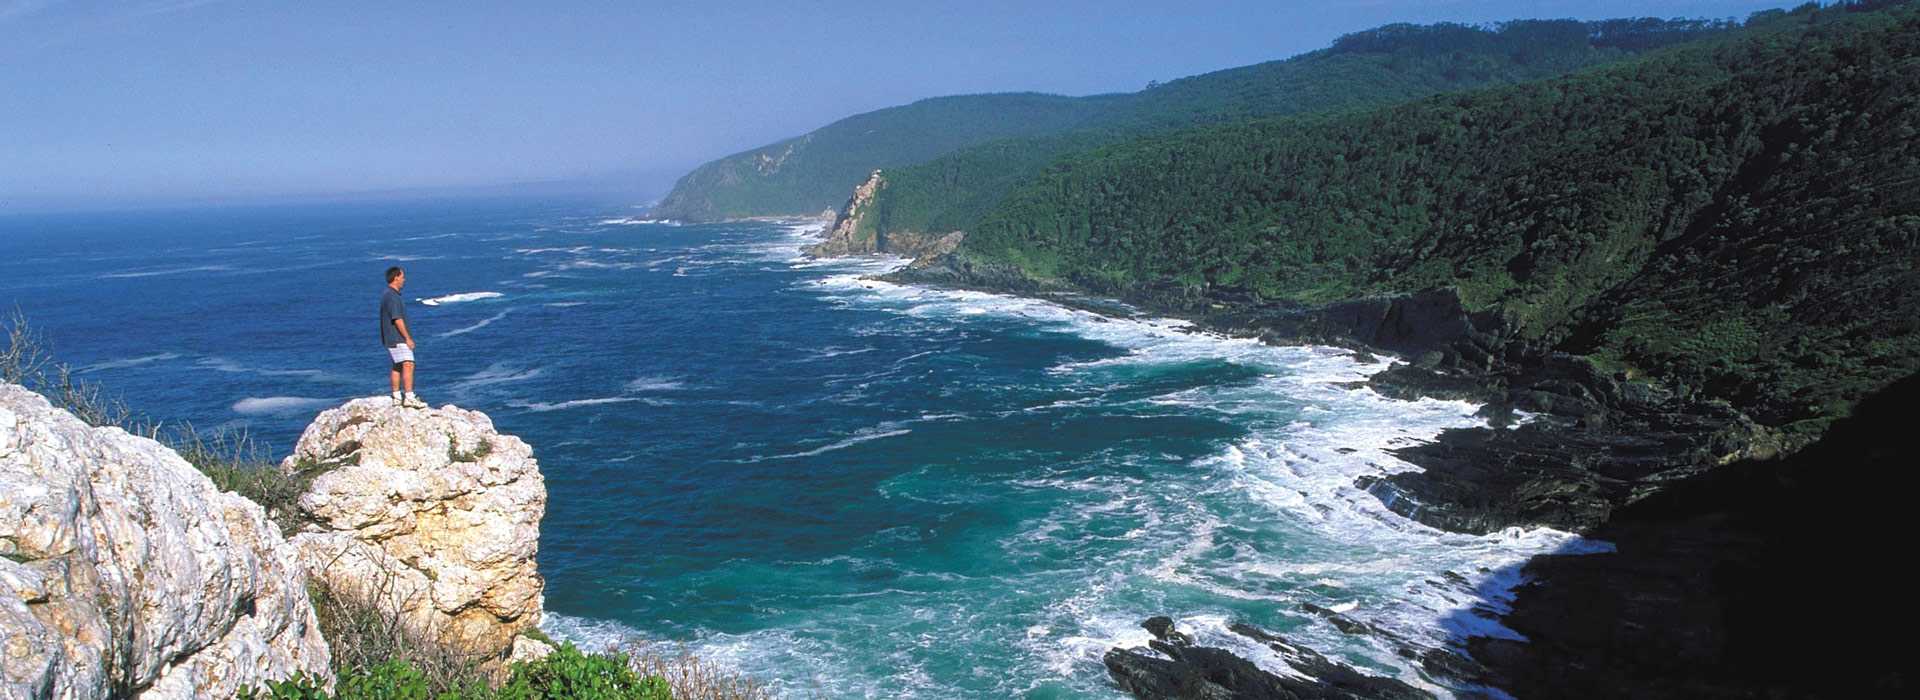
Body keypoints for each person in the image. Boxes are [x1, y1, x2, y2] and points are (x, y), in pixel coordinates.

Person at [380, 266, 426, 408]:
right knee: (408, 363)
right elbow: (397, 319)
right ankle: (409, 396)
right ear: (396, 277)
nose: (404, 279)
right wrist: (408, 338)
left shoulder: (388, 295)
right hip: (397, 338)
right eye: (402, 276)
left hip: (390, 337)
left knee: (397, 365)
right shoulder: (392, 296)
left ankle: (396, 396)